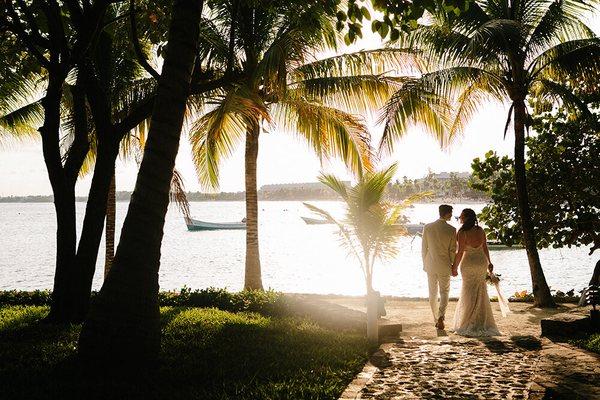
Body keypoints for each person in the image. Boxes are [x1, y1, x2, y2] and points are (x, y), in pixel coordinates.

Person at [452, 208, 500, 336]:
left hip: (468, 263)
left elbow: (460, 252)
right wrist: (489, 262)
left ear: (466, 218)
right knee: (481, 290)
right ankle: (481, 321)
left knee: (468, 290)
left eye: (461, 216)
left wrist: (454, 267)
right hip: (480, 262)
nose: (460, 218)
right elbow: (485, 247)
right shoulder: (480, 230)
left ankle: (468, 321)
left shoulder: (462, 232)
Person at [422, 204, 457, 330]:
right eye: (451, 213)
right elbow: (452, 250)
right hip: (444, 265)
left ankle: (436, 319)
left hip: (430, 264)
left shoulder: (428, 227)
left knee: (432, 292)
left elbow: (424, 248)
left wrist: (424, 263)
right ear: (447, 214)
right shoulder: (452, 230)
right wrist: (453, 265)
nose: (452, 215)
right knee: (444, 291)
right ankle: (441, 316)